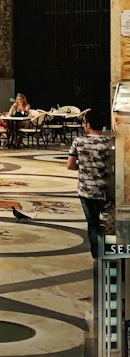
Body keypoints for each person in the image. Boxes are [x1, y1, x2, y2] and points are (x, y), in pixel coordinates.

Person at [67, 107, 114, 258]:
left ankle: (96, 253)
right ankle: (108, 251)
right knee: (107, 225)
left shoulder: (79, 142)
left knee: (92, 224)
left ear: (87, 124)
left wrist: (84, 166)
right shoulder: (110, 142)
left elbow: (70, 165)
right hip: (106, 190)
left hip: (86, 190)